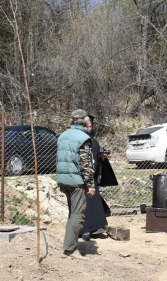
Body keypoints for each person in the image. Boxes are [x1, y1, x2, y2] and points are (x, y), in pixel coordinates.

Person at [56, 109, 95, 260]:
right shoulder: (83, 138)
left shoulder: (63, 136)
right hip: (77, 182)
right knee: (78, 215)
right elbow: (85, 165)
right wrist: (90, 185)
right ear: (85, 121)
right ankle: (70, 250)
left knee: (72, 214)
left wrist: (61, 180)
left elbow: (60, 159)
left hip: (64, 180)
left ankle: (68, 245)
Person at [80, 114, 113, 241]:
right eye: (88, 126)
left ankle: (97, 227)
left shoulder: (94, 142)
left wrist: (102, 157)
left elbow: (96, 159)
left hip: (92, 177)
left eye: (90, 126)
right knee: (84, 205)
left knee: (94, 202)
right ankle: (85, 230)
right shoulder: (79, 141)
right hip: (82, 177)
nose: (90, 128)